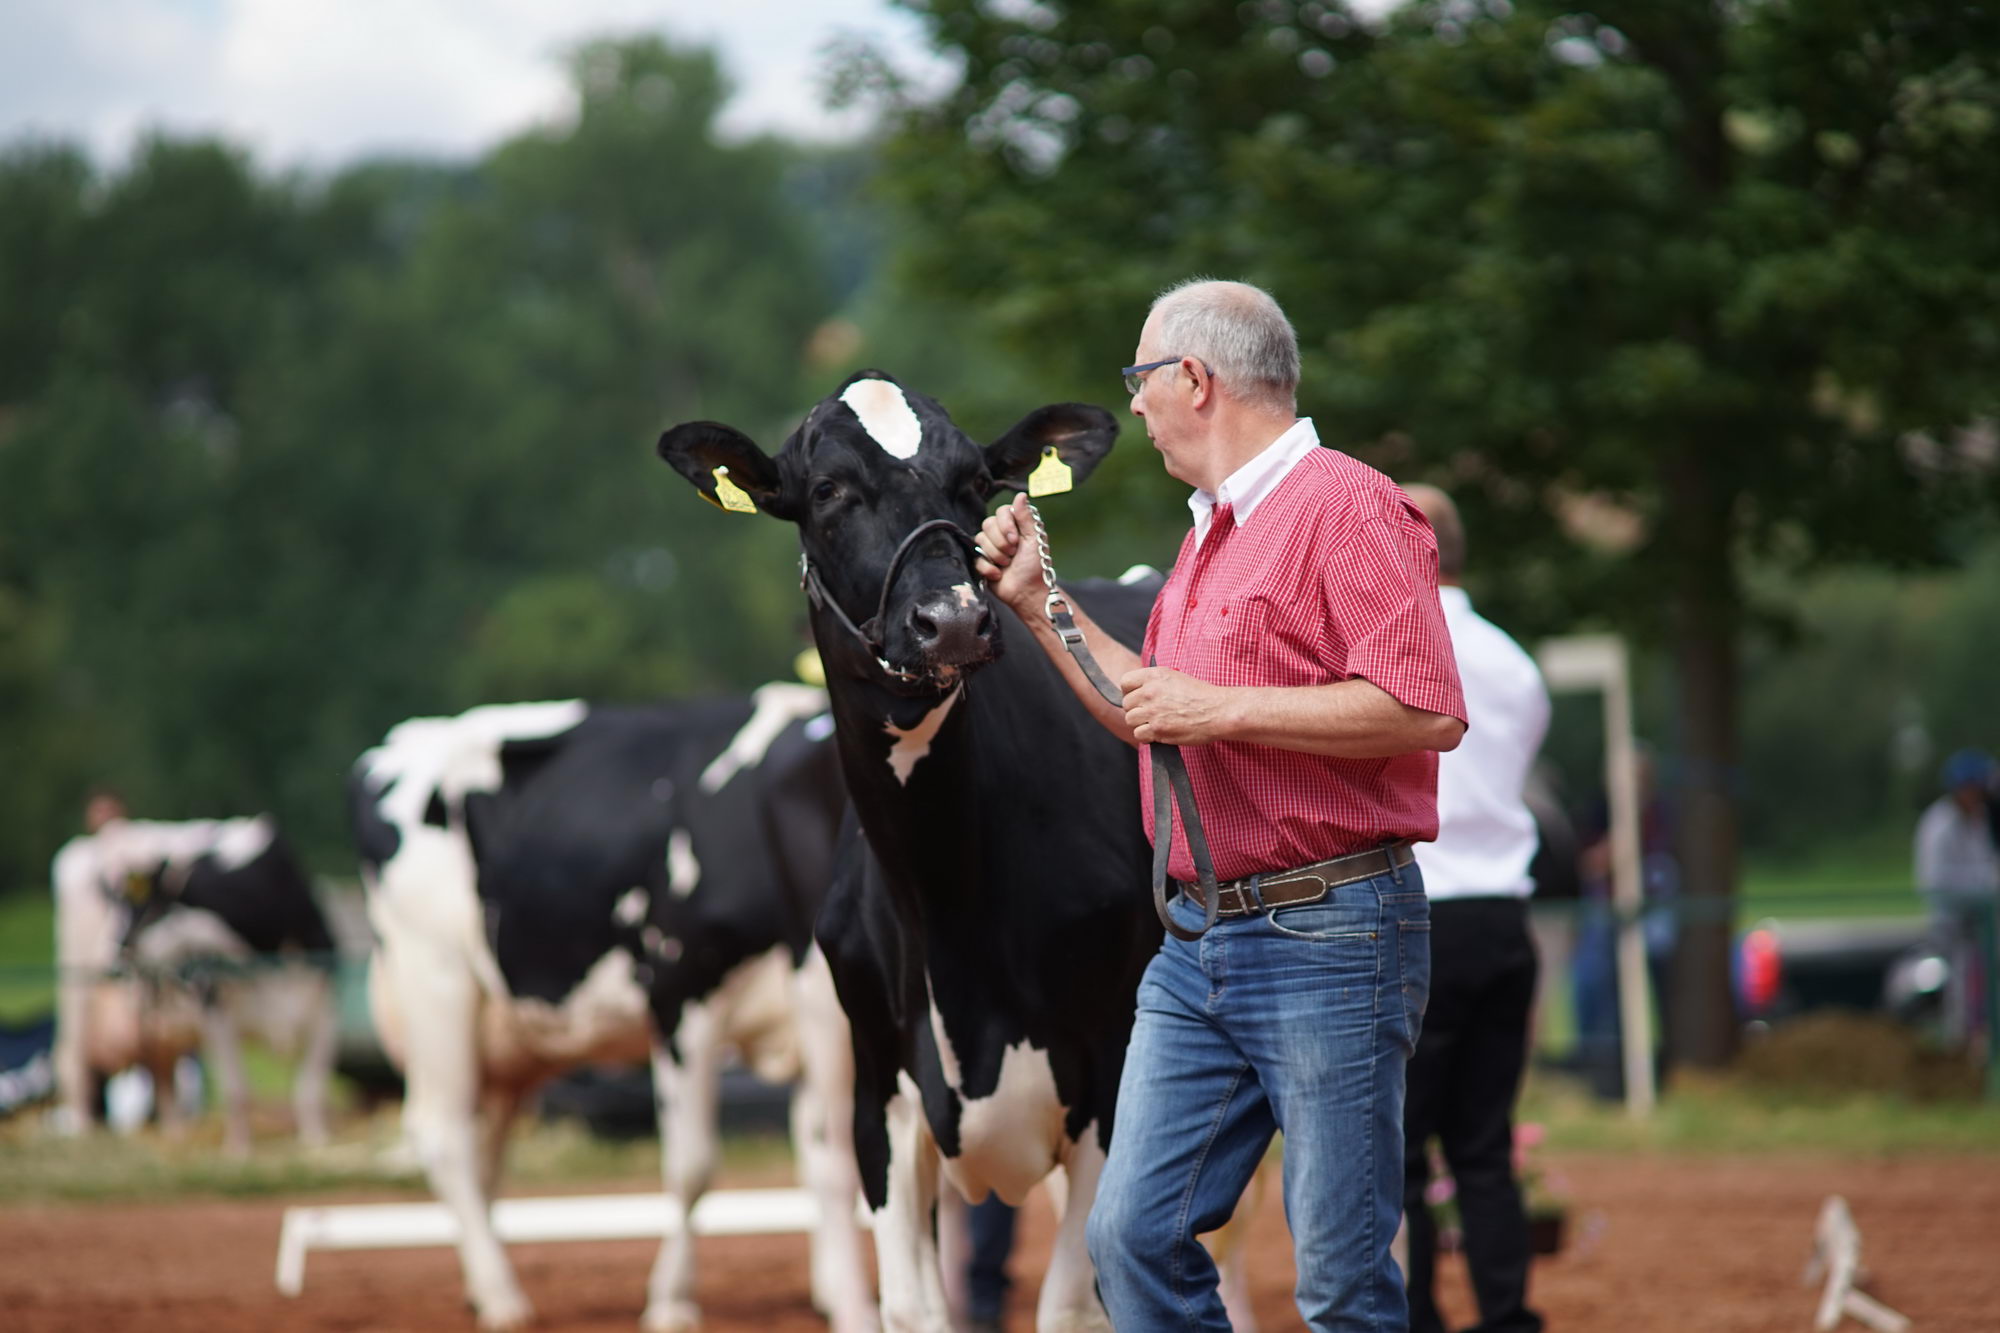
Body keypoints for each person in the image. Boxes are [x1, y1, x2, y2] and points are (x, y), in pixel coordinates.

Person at [975, 278, 1466, 1331]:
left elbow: (1423, 710)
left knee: (1339, 1285)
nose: (1134, 407)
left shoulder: (1346, 502)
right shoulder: (1210, 533)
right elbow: (1153, 712)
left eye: (1138, 380)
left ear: (1192, 379)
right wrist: (1037, 602)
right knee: (1128, 1236)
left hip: (1332, 928)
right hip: (1197, 938)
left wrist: (1221, 705)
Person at [1398, 485, 1549, 1333]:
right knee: (1486, 1150)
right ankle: (1508, 1316)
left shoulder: (1392, 647)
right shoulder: (1514, 660)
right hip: (1504, 915)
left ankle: (1416, 1318)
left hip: (1422, 913)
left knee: (1403, 1153)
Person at [1913, 748, 1999, 1043]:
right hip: (1953, 926)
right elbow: (1935, 881)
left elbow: (1986, 866)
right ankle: (1959, 1046)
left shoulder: (1977, 822)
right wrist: (1984, 890)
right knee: (1960, 992)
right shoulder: (1939, 825)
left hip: (1979, 922)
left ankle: (1980, 1042)